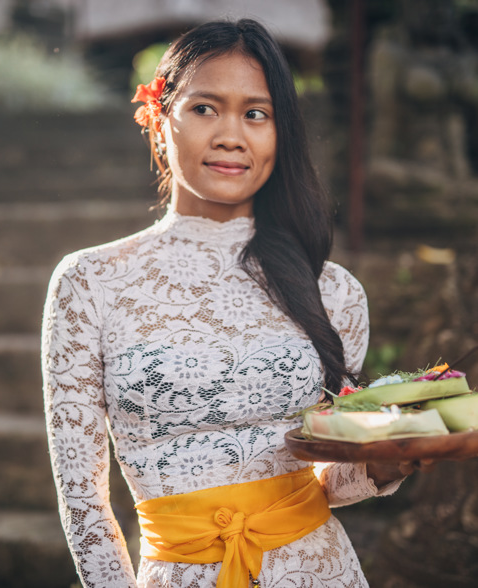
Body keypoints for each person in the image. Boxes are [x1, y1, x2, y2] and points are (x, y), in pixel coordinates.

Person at [42, 18, 426, 588]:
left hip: (321, 571)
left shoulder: (333, 290)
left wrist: (382, 464)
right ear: (159, 117)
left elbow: (327, 478)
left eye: (256, 113)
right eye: (204, 108)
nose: (231, 135)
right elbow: (83, 503)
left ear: (279, 133)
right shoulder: (90, 281)